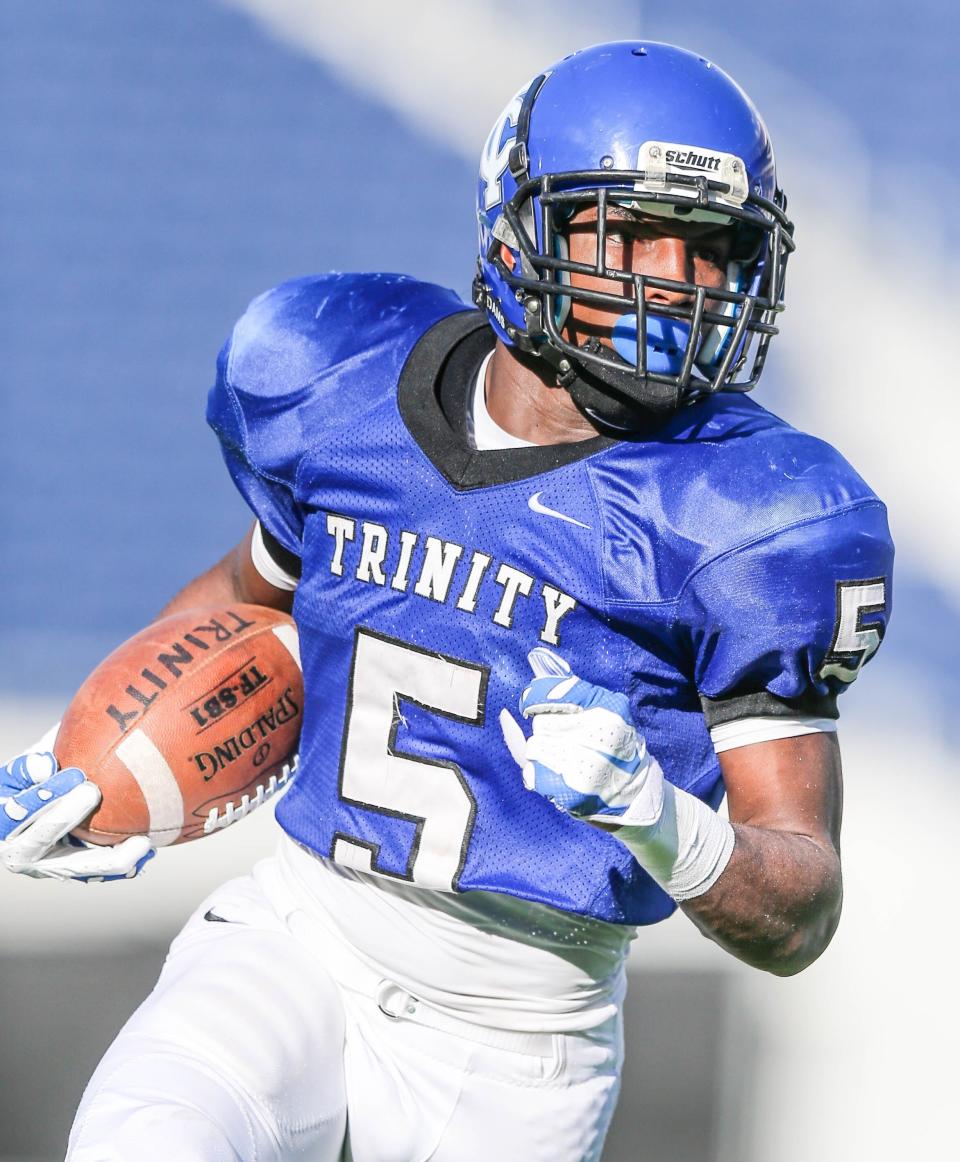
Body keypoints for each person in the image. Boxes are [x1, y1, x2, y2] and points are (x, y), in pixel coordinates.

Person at [0, 41, 892, 1162]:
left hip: (520, 1032)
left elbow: (799, 906)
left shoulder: (750, 518)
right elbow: (251, 601)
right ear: (522, 230)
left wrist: (658, 820)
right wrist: (106, 758)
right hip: (300, 937)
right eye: (633, 236)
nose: (678, 284)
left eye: (713, 249)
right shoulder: (340, 375)